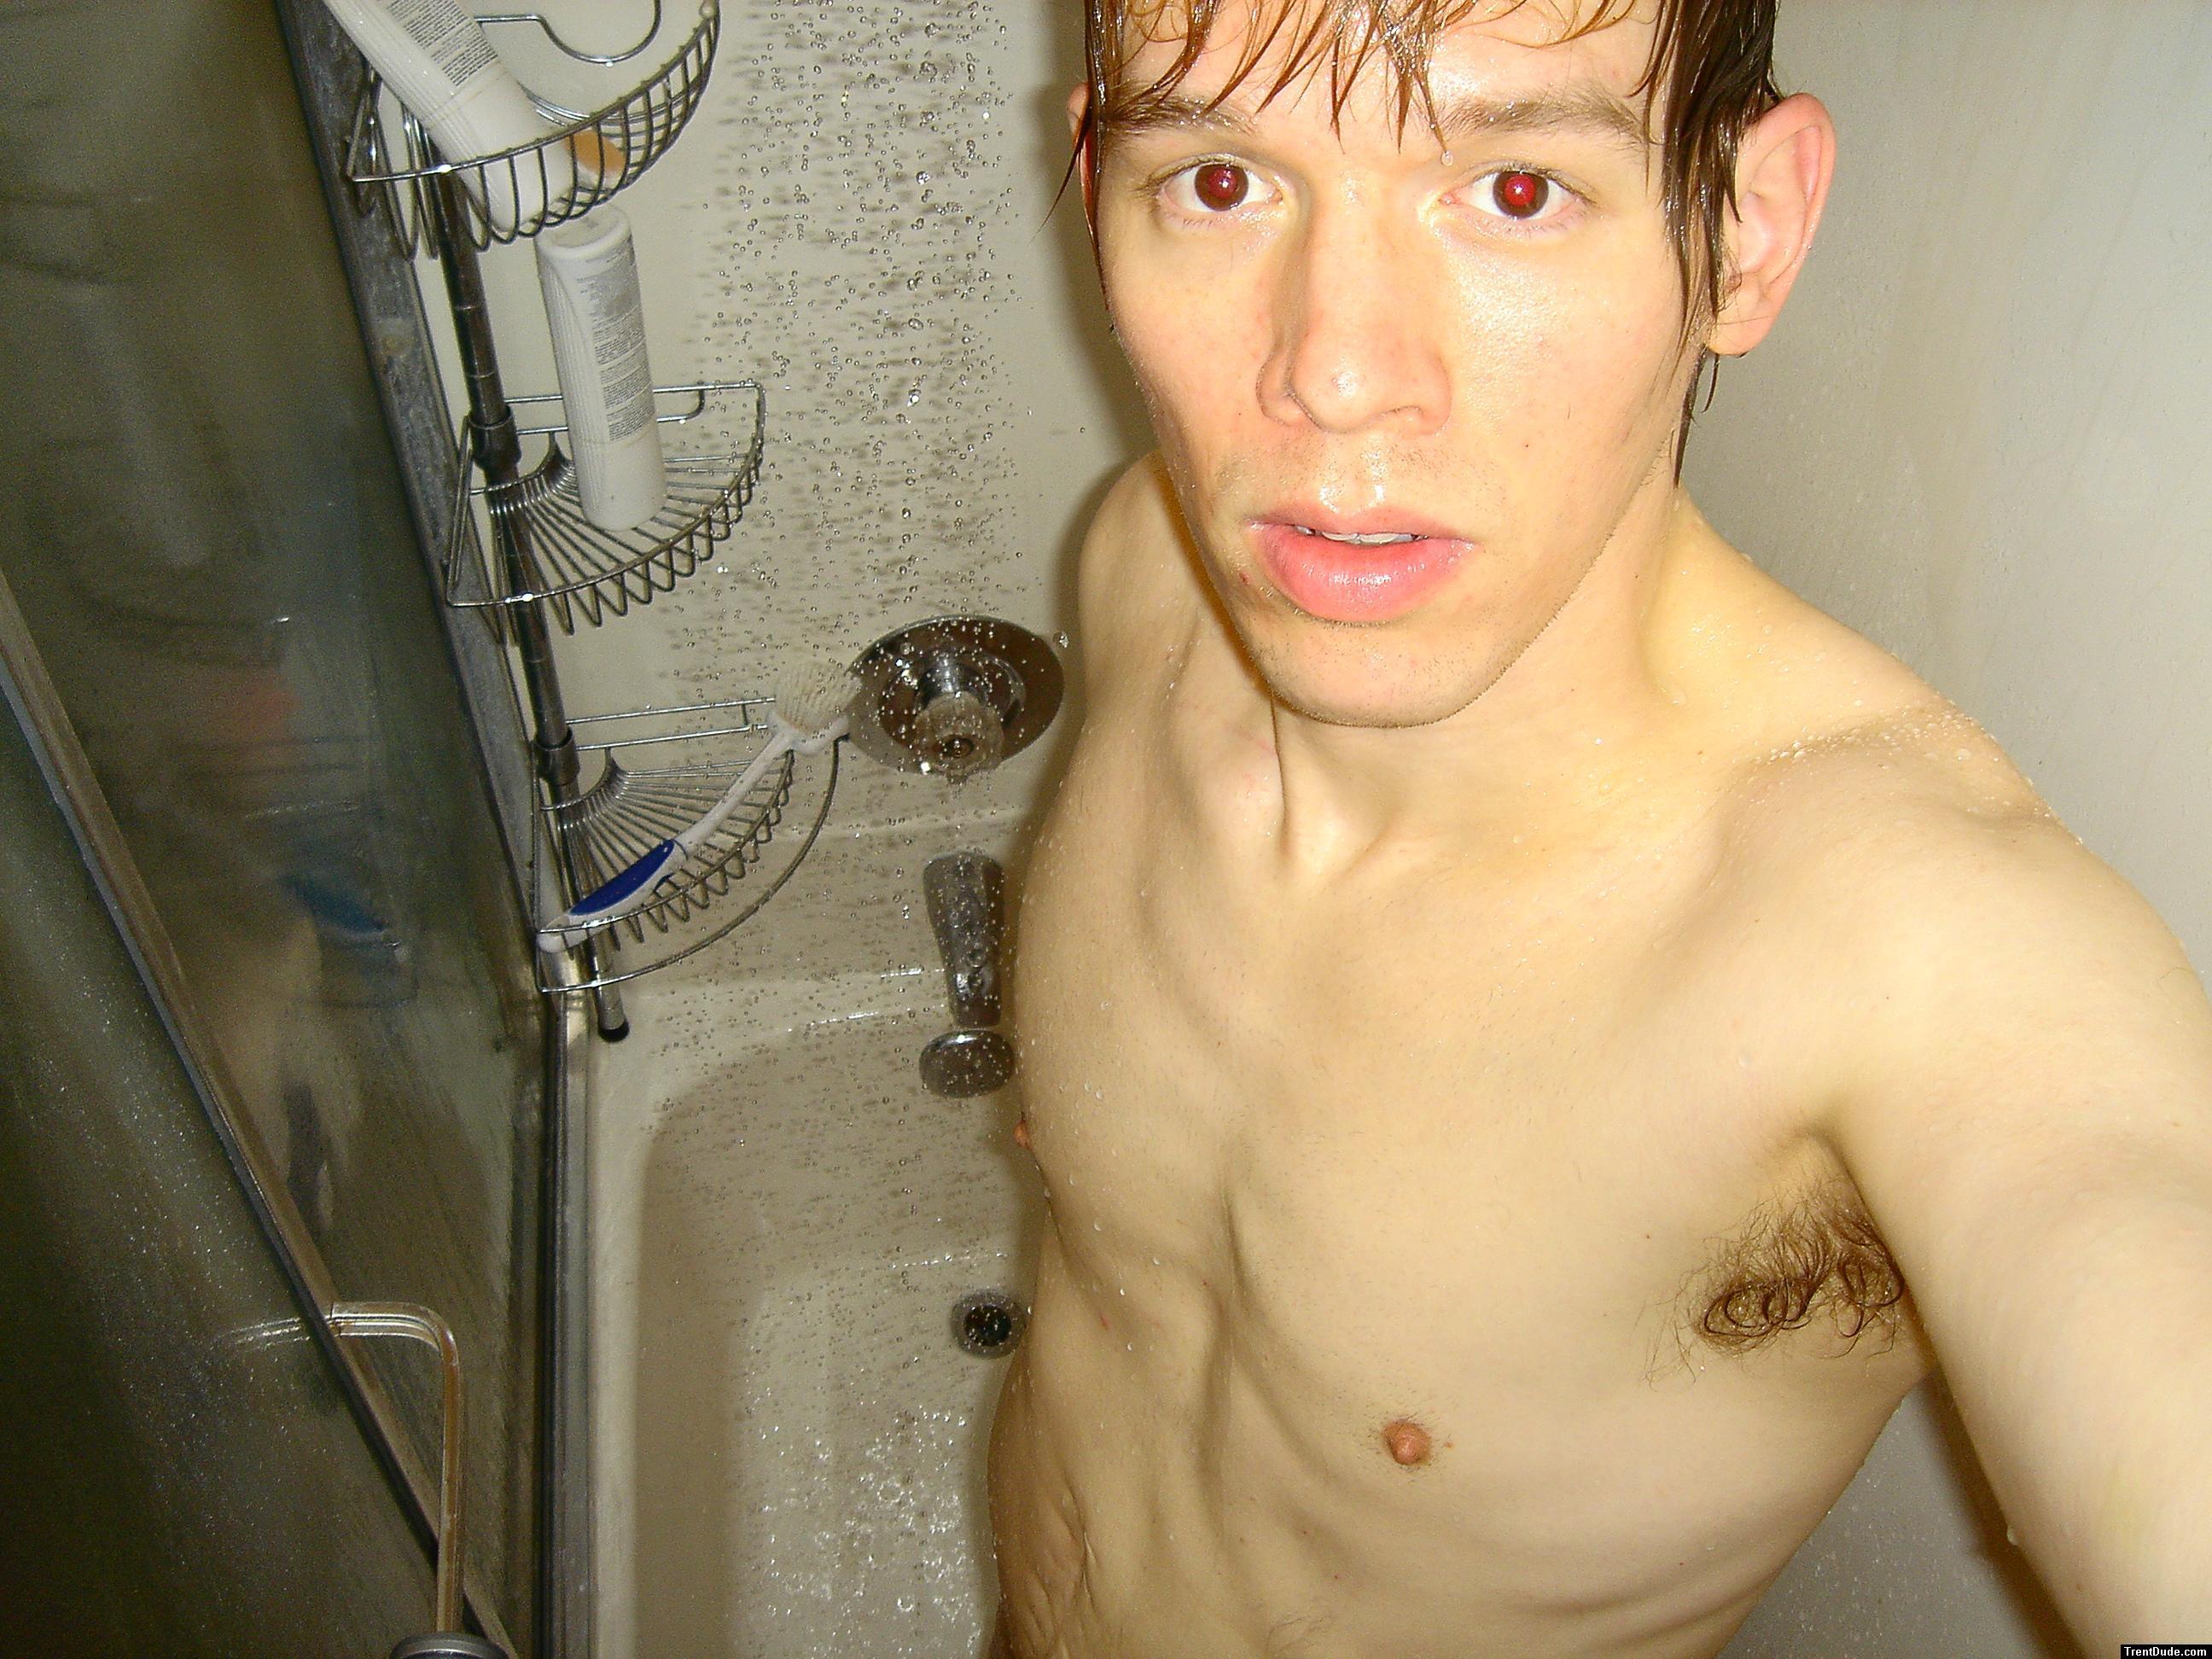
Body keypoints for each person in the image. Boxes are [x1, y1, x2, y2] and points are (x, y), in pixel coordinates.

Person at [983, 0, 2212, 1654]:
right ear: (1094, 188)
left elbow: (2131, 1254)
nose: (1334, 378)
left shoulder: (1908, 952)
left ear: (1742, 234)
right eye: (1219, 183)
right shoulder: (1145, 571)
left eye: (1516, 192)